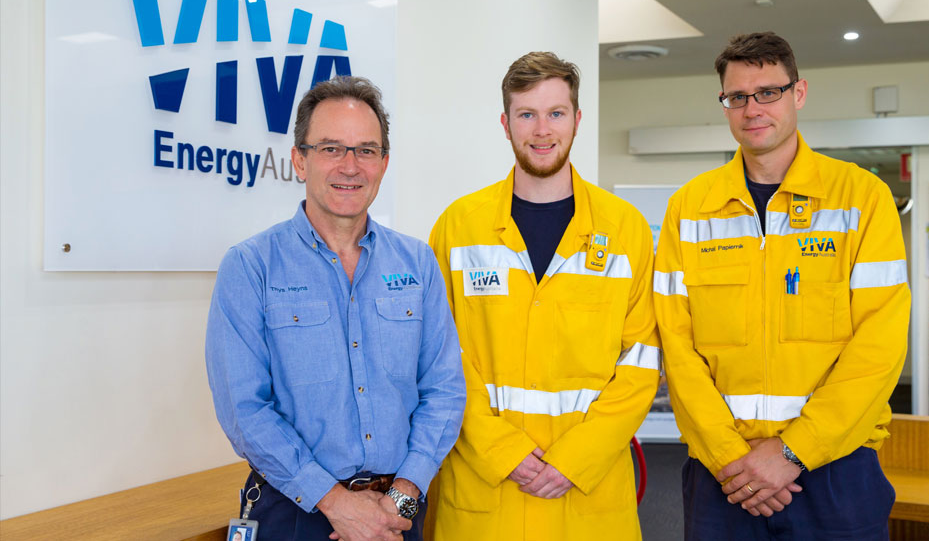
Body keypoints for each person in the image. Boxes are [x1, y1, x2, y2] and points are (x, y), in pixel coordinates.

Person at [654, 32, 910, 540]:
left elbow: (879, 347)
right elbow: (676, 346)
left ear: (799, 93)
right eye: (737, 97)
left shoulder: (862, 198)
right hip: (723, 474)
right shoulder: (689, 208)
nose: (753, 108)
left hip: (835, 468)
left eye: (768, 92)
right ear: (725, 105)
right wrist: (732, 457)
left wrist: (794, 452)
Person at [206, 76, 466, 541]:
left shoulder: (418, 263)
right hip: (295, 513)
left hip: (397, 515)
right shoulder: (250, 267)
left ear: (384, 164)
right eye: (331, 148)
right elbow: (245, 412)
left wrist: (402, 498)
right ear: (299, 160)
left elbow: (444, 391)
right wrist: (337, 504)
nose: (350, 166)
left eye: (366, 150)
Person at [427, 52, 662, 540]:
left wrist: (577, 459)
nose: (541, 129)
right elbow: (436, 357)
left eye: (556, 113)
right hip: (484, 495)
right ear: (505, 123)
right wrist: (502, 452)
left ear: (577, 119)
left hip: (585, 497)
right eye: (526, 114)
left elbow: (641, 361)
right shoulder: (459, 228)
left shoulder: (625, 230)